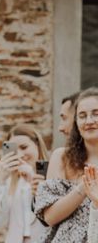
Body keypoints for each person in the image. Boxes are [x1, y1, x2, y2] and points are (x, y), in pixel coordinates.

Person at [34, 87, 98, 242]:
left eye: (96, 114)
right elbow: (49, 217)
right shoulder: (62, 157)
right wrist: (83, 188)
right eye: (82, 116)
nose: (89, 121)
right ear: (76, 123)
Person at [0, 124, 48, 242]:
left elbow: (52, 217)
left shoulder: (51, 174)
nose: (19, 155)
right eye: (14, 150)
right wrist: (1, 181)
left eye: (24, 147)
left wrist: (32, 180)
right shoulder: (9, 182)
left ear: (37, 146)